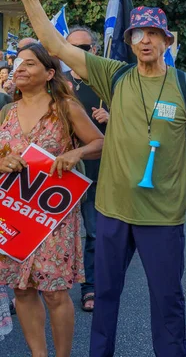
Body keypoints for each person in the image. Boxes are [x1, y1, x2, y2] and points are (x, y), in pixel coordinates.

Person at [10, 0, 186, 357]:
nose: (145, 41)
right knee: (104, 298)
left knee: (168, 302)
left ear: (166, 40)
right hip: (114, 210)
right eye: (138, 34)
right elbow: (55, 45)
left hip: (164, 215)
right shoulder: (115, 76)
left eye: (154, 34)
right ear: (129, 40)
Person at [0, 42, 104, 357]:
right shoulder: (6, 110)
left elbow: (100, 142)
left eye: (29, 63)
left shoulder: (65, 107)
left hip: (51, 217)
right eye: (18, 63)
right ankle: (39, 355)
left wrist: (77, 152)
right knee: (21, 288)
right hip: (15, 213)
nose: (20, 68)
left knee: (55, 294)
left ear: (48, 73)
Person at [65, 26, 110, 313]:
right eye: (73, 48)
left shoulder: (105, 83)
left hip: (96, 170)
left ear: (93, 50)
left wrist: (112, 115)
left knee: (93, 233)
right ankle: (41, 286)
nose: (79, 53)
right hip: (61, 171)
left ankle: (90, 288)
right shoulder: (56, 83)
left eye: (85, 48)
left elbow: (134, 121)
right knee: (52, 234)